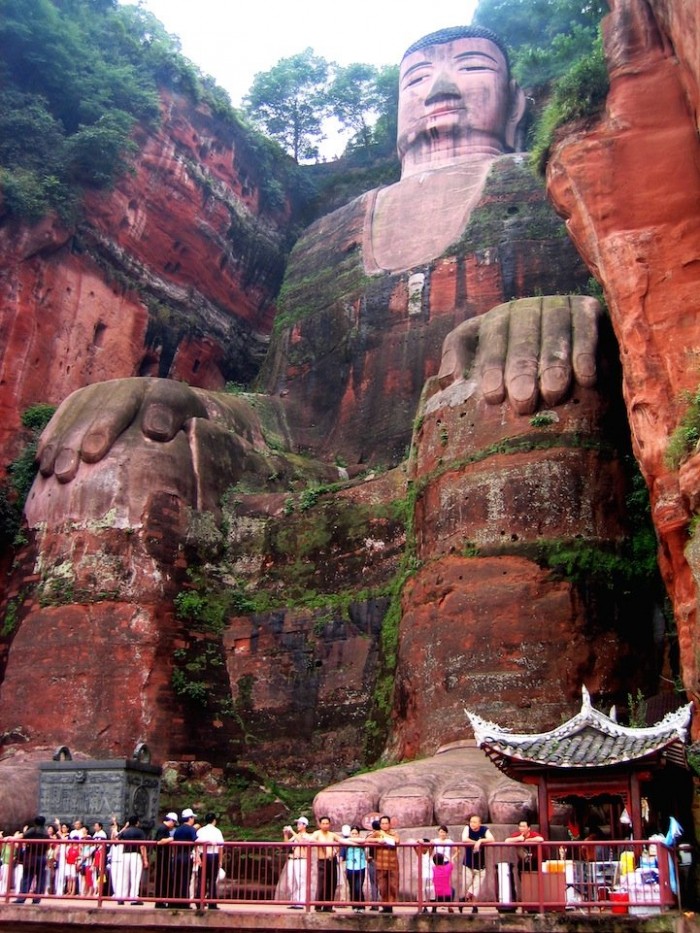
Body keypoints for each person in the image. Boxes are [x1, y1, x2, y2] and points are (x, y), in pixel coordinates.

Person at [367, 815, 400, 913]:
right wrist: (378, 840)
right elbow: (367, 839)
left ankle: (390, 906)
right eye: (383, 823)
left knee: (393, 886)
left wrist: (385, 837)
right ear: (380, 825)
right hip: (380, 864)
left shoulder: (393, 832)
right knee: (382, 887)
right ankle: (385, 905)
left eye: (386, 823)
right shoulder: (376, 833)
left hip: (392, 864)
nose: (385, 825)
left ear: (389, 824)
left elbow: (397, 840)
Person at [461, 814, 493, 914]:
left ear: (479, 823)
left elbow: (492, 839)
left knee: (476, 887)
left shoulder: (484, 829)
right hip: (468, 863)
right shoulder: (467, 828)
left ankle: (474, 906)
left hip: (480, 864)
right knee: (466, 884)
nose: (472, 824)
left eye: (475, 822)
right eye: (471, 822)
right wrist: (476, 843)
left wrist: (481, 840)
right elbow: (464, 839)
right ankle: (462, 900)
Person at [113, 815, 148, 905]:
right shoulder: (140, 832)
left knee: (124, 877)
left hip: (125, 855)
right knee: (135, 877)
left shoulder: (125, 831)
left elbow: (116, 840)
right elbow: (142, 846)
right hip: (135, 854)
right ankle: (134, 898)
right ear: (137, 822)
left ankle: (121, 897)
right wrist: (145, 859)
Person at [14, 815, 49, 904]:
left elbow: (21, 836)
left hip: (31, 856)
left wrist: (11, 838)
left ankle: (21, 898)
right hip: (42, 857)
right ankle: (37, 899)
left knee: (27, 877)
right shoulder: (46, 832)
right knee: (40, 879)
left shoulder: (33, 830)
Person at [309, 815, 341, 912]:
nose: (325, 825)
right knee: (322, 883)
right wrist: (321, 843)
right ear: (320, 824)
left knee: (332, 883)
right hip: (323, 861)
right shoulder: (317, 833)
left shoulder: (332, 834)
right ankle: (318, 905)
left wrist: (336, 851)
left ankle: (328, 906)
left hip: (332, 860)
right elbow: (310, 839)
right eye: (323, 823)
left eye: (327, 823)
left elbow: (341, 841)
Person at [195, 812, 224, 909]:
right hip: (214, 856)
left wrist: (197, 856)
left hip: (203, 855)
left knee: (201, 879)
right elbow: (220, 847)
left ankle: (199, 901)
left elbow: (196, 843)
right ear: (214, 821)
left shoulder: (201, 831)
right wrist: (220, 860)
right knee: (212, 879)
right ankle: (212, 902)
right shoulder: (217, 831)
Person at [282, 816, 312, 909]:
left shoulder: (307, 835)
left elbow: (302, 842)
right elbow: (287, 844)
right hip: (293, 859)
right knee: (291, 881)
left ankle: (301, 901)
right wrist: (286, 834)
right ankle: (294, 900)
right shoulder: (296, 835)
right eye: (297, 824)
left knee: (301, 881)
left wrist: (292, 832)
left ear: (305, 825)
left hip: (302, 859)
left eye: (299, 824)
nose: (298, 825)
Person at [171, 808, 197, 907]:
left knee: (177, 878)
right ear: (189, 818)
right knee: (186, 879)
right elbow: (196, 840)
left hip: (177, 856)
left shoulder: (177, 830)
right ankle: (184, 902)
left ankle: (175, 901)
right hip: (186, 856)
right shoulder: (191, 829)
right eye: (192, 817)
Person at [153, 811, 178, 909]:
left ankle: (161, 900)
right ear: (171, 821)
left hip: (164, 857)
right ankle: (160, 901)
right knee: (162, 879)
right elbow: (159, 841)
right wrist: (172, 839)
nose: (174, 825)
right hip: (162, 858)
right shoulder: (163, 828)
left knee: (164, 879)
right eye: (174, 823)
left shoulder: (164, 828)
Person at [342, 825, 367, 912]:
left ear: (359, 834)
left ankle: (361, 906)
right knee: (352, 887)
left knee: (358, 887)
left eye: (356, 833)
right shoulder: (346, 843)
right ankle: (354, 906)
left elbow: (363, 840)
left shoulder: (362, 841)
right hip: (350, 867)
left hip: (361, 867)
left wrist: (349, 840)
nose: (354, 835)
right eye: (353, 833)